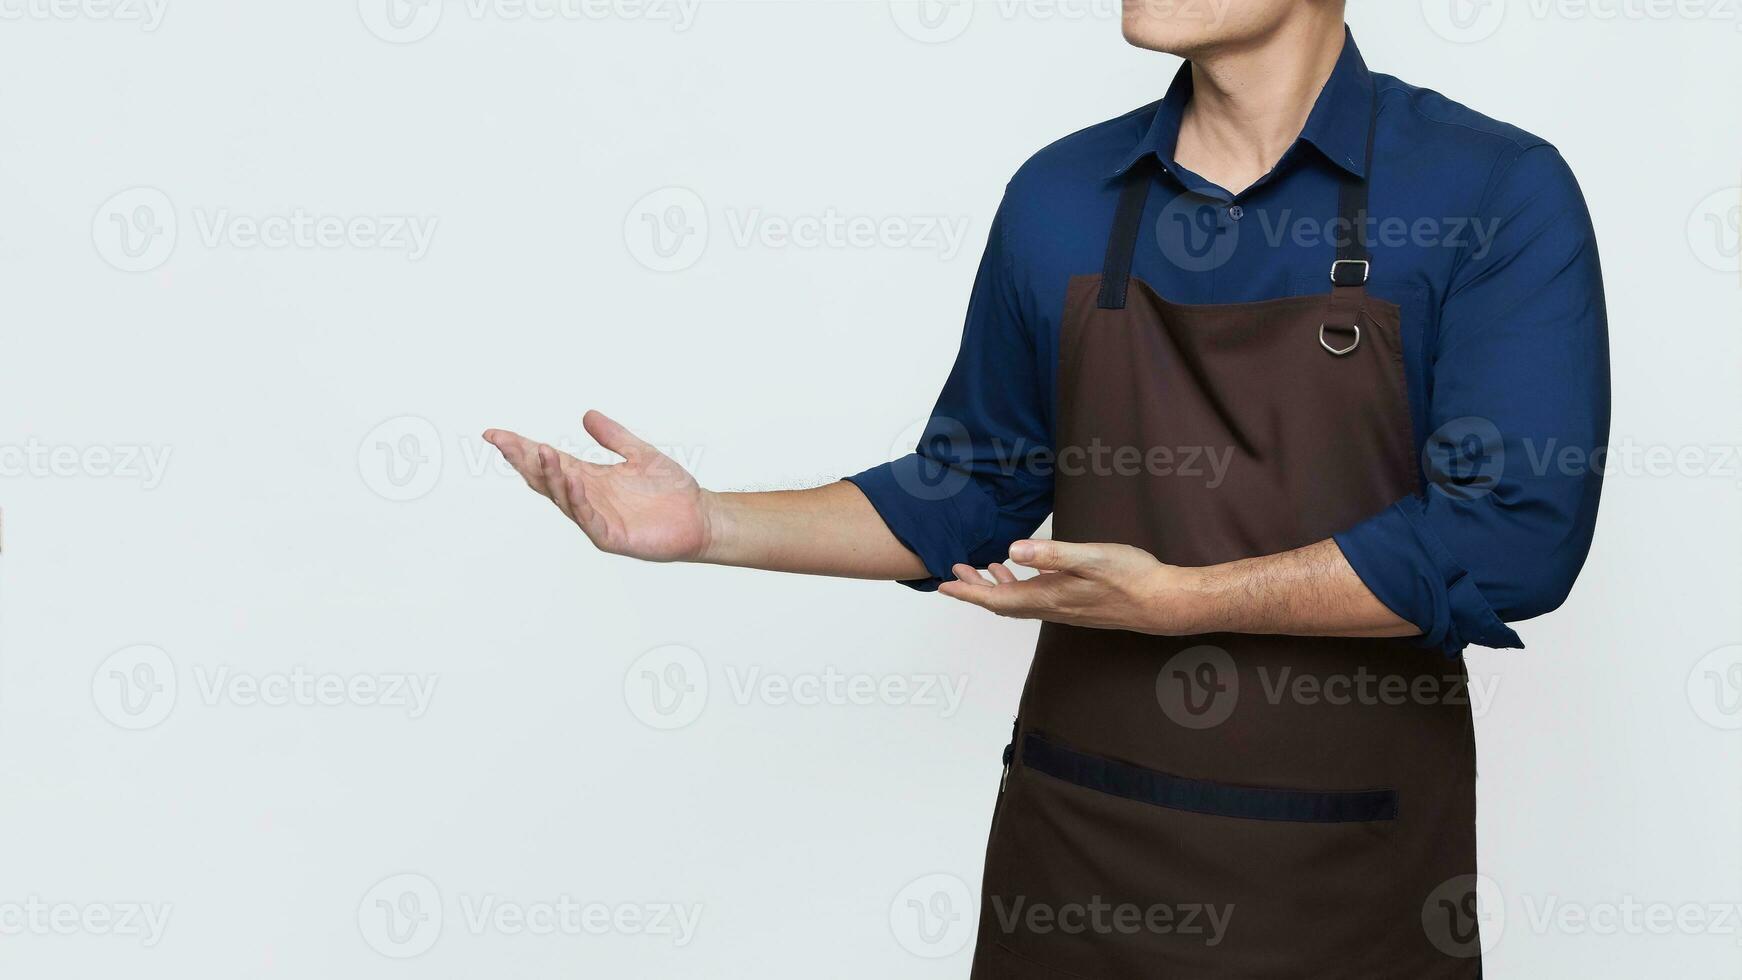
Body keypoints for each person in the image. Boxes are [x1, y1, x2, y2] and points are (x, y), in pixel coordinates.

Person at [486, 0, 1609, 973]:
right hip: (1072, 864)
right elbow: (964, 489)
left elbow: (1511, 537)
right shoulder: (1063, 194)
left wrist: (1186, 598)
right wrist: (709, 523)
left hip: (1344, 875)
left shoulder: (1491, 193)